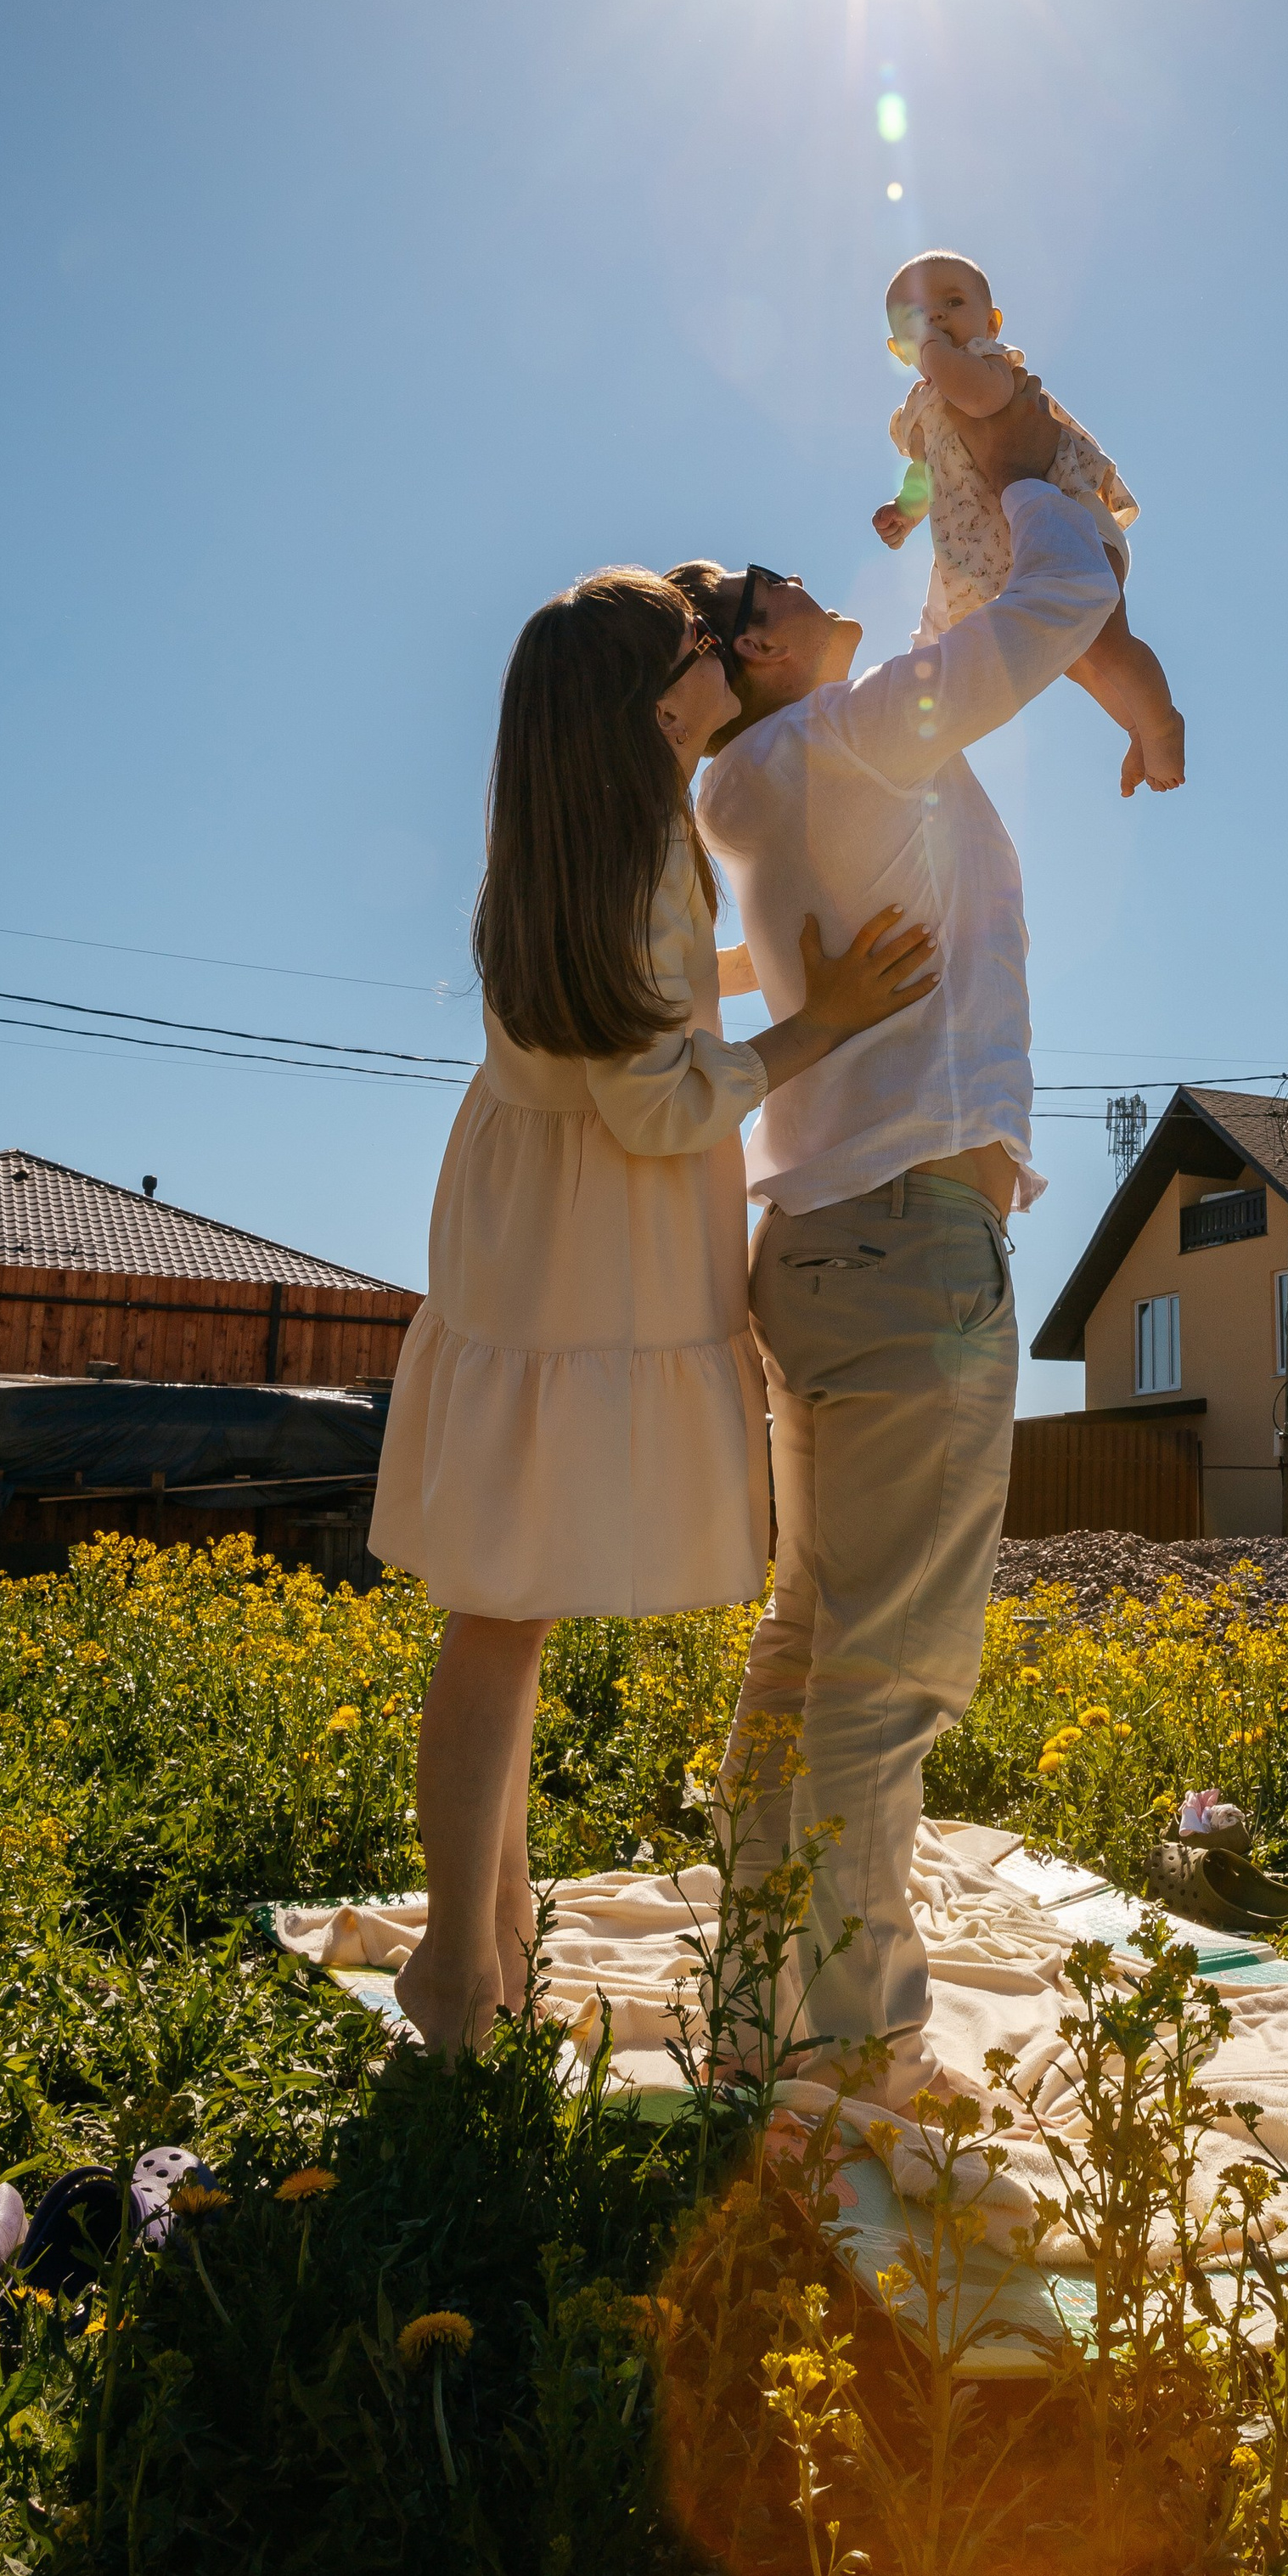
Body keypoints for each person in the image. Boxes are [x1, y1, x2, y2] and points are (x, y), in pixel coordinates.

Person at [370, 567, 935, 2061]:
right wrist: (830, 1020)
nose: (716, 653)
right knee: (500, 1613)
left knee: (505, 1605)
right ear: (655, 700)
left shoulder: (592, 845)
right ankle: (453, 1964)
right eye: (696, 644)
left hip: (527, 1232)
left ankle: (485, 1941)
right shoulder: (636, 867)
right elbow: (666, 1094)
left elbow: (660, 997)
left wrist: (772, 960)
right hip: (583, 1245)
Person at [673, 373, 1122, 2100]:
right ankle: (855, 2059)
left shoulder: (743, 792)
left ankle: (752, 2012)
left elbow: (957, 637)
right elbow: (1053, 608)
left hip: (809, 1238)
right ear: (757, 658)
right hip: (913, 1239)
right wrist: (1028, 476)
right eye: (774, 594)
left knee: (805, 1643)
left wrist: (956, 504)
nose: (807, 592)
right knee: (884, 1673)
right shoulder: (840, 736)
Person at [872, 247, 1185, 795]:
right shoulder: (917, 410)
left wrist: (939, 357)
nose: (938, 319)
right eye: (917, 317)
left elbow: (981, 398)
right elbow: (928, 473)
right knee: (1073, 656)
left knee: (1107, 642)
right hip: (1006, 553)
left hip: (1068, 522)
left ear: (991, 322)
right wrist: (905, 510)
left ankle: (1162, 725)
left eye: (952, 302)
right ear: (898, 348)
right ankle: (1134, 726)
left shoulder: (989, 364)